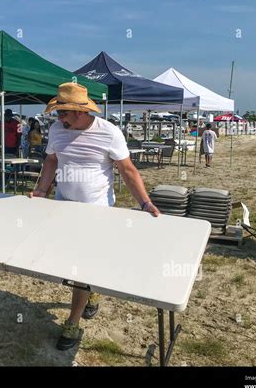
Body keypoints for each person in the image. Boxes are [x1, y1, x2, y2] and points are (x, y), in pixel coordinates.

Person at [29, 82, 160, 351]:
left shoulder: (109, 133)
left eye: (62, 113)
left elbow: (128, 170)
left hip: (96, 211)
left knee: (80, 266)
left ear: (79, 111)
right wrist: (41, 190)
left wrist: (145, 203)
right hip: (63, 207)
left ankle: (72, 323)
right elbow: (52, 161)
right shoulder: (57, 129)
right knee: (66, 261)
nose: (58, 118)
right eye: (57, 113)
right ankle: (90, 290)